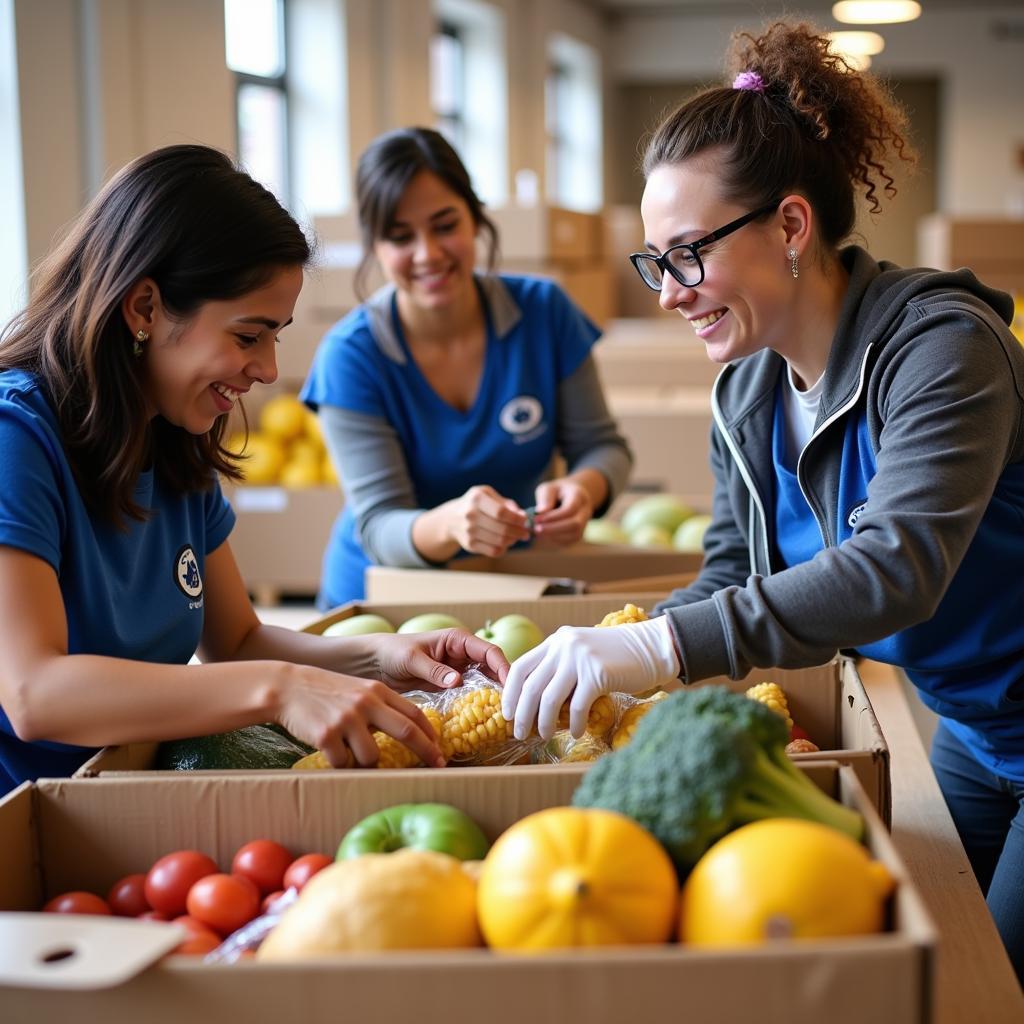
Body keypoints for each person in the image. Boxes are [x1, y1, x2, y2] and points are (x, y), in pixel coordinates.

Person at [501, 22, 1024, 981]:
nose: (668, 293)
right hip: (974, 724)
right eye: (654, 262)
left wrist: (657, 649)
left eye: (687, 254)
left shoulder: (943, 350)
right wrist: (621, 645)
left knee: (989, 984)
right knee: (936, 962)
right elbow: (732, 573)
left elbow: (895, 569)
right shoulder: (747, 390)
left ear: (790, 226)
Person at [0, 144, 509, 796]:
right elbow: (34, 692)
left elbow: (236, 640)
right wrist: (281, 688)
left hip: (133, 794)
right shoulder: (19, 439)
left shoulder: (173, 436)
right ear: (146, 309)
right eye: (248, 336)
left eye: (277, 335)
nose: (268, 369)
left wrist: (382, 660)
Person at [300, 127, 633, 607]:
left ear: (475, 218)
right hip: (383, 599)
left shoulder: (544, 312)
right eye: (400, 237)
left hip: (512, 582)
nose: (428, 254)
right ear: (375, 246)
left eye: (444, 225)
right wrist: (452, 524)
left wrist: (584, 488)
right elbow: (378, 525)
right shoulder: (351, 356)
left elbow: (604, 446)